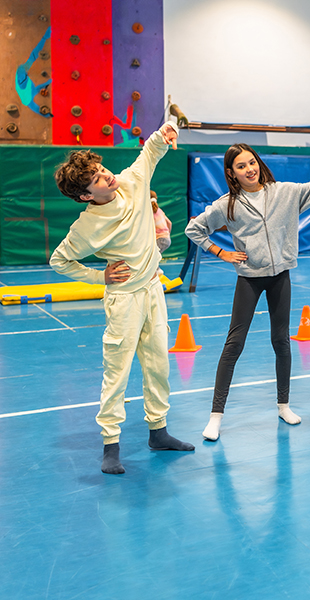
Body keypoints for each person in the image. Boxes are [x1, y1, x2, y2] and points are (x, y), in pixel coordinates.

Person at [186, 136, 310, 441]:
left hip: (280, 276)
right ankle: (216, 416)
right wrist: (222, 252)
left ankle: (284, 404)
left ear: (258, 163)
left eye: (251, 162)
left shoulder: (285, 192)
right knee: (234, 344)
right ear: (232, 173)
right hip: (249, 279)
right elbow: (194, 229)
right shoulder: (227, 205)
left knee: (281, 341)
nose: (249, 169)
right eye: (241, 166)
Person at [50, 122, 194, 475]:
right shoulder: (86, 227)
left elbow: (151, 152)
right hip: (124, 300)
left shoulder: (131, 181)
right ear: (85, 195)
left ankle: (158, 432)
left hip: (153, 291)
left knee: (159, 363)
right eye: (96, 179)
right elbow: (60, 261)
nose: (106, 177)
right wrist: (99, 276)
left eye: (102, 170)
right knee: (117, 371)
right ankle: (111, 445)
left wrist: (166, 132)